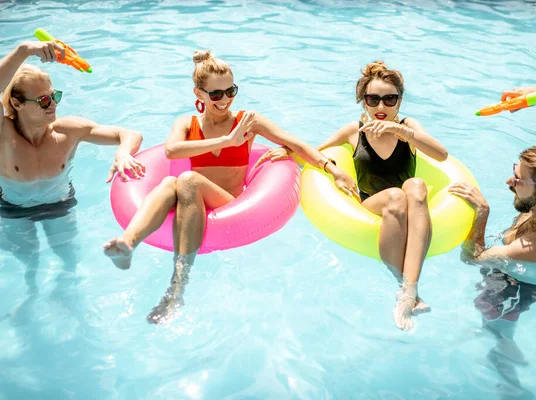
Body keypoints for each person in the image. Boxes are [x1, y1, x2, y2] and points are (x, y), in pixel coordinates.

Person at [103, 49, 357, 324]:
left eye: (230, 91)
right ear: (199, 94)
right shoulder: (186, 123)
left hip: (228, 201)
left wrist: (333, 170)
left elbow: (297, 145)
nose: (224, 100)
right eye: (215, 94)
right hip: (191, 198)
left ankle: (177, 287)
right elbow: (171, 151)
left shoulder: (248, 121)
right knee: (168, 182)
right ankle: (127, 245)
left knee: (186, 180)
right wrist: (227, 141)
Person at [268, 61, 448, 330]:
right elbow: (315, 154)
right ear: (363, 101)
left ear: (399, 102)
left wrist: (400, 131)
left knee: (416, 185)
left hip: (408, 199)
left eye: (390, 99)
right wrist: (288, 152)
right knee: (396, 197)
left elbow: (441, 154)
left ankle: (410, 291)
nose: (381, 107)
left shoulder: (408, 126)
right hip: (373, 203)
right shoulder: (354, 131)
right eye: (373, 99)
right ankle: (404, 288)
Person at [449, 87, 536, 390]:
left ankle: (509, 377)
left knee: (494, 325)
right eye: (515, 171)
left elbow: (470, 257)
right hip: (517, 260)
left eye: (519, 180)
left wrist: (482, 211)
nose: (509, 181)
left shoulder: (533, 247)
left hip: (515, 287)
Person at [0, 41, 145, 294]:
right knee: (29, 262)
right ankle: (32, 294)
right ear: (18, 103)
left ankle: (69, 294)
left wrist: (122, 151)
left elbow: (129, 133)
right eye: (44, 100)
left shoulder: (69, 131)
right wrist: (24, 51)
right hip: (13, 210)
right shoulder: (3, 134)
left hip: (59, 204)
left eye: (54, 96)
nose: (53, 105)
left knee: (69, 259)